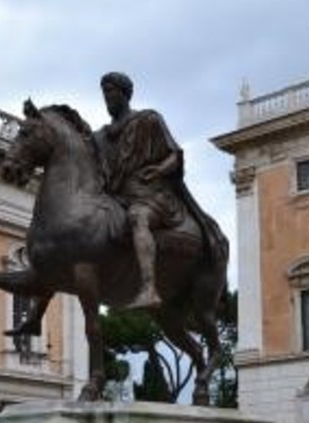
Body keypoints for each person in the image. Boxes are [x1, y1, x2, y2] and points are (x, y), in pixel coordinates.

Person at [93, 71, 225, 310]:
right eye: (104, 93)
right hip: (117, 197)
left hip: (153, 195)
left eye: (110, 92)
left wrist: (158, 171)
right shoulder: (101, 136)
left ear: (125, 94)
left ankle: (149, 288)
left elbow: (175, 155)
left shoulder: (148, 120)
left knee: (137, 217)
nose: (106, 98)